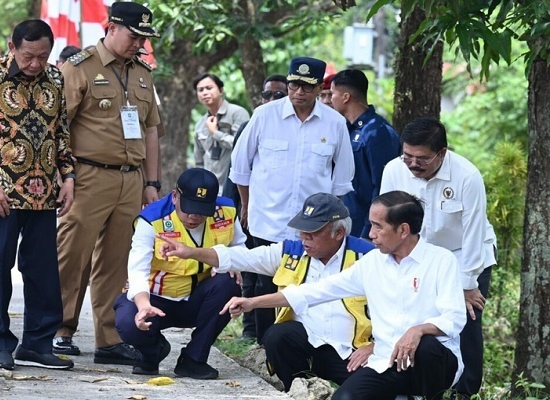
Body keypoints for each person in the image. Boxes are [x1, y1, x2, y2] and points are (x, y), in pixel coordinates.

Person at [200, 191, 466, 399]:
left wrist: (418, 330)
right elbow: (315, 292)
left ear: (403, 230)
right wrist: (252, 303)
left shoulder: (441, 260)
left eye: (377, 226)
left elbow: (455, 318)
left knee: (429, 345)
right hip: (386, 362)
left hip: (432, 366)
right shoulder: (372, 264)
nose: (370, 234)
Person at [159, 192, 375, 391]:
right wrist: (190, 252)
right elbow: (242, 258)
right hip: (305, 347)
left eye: (313, 233)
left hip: (353, 352)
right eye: (302, 230)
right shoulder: (291, 252)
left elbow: (396, 310)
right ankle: (299, 389)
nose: (304, 238)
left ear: (339, 233)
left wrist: (374, 347)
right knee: (277, 336)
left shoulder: (367, 259)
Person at [0, 19, 75, 370]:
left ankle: (37, 344)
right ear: (12, 47)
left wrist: (68, 177)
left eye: (42, 56)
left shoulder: (55, 79)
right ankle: (0, 343)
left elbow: (62, 133)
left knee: (42, 271)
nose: (35, 64)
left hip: (42, 193)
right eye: (28, 56)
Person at [53, 1, 163, 366]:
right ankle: (60, 330)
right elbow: (58, 129)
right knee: (72, 255)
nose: (139, 45)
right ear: (111, 27)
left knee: (118, 262)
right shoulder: (79, 67)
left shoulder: (143, 73)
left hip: (130, 179)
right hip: (86, 175)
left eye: (144, 39)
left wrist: (153, 182)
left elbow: (150, 131)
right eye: (134, 36)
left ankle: (109, 338)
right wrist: (62, 177)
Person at [230, 56, 354, 343]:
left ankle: (300, 348)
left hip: (312, 228)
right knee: (265, 286)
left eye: (307, 87)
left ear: (318, 88)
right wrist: (246, 205)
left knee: (306, 284)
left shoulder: (334, 123)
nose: (299, 92)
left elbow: (341, 179)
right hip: (267, 220)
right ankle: (263, 348)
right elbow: (240, 168)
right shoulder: (264, 115)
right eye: (294, 85)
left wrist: (327, 222)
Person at [380, 117, 497, 398]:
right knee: (413, 317)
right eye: (407, 155)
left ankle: (463, 391)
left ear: (442, 153)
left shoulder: (466, 176)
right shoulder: (394, 170)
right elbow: (384, 218)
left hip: (464, 257)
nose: (412, 164)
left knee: (464, 323)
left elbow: (473, 232)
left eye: (422, 158)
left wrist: (467, 285)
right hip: (417, 255)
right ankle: (413, 386)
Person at [113, 168, 245, 379]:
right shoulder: (152, 219)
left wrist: (232, 264)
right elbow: (138, 268)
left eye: (202, 210)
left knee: (229, 283)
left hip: (199, 299)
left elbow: (239, 247)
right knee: (128, 322)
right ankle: (151, 353)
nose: (194, 216)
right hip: (157, 300)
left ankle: (193, 360)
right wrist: (143, 305)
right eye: (189, 208)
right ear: (175, 196)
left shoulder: (226, 211)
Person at [221, 73, 288, 341]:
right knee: (249, 271)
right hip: (249, 211)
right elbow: (235, 172)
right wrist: (234, 210)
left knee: (268, 276)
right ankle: (249, 331)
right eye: (267, 94)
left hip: (276, 214)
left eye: (278, 95)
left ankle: (267, 334)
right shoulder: (251, 124)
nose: (271, 100)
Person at [330, 69, 401, 238]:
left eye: (332, 93)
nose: (329, 99)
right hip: (345, 223)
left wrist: (370, 230)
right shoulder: (344, 128)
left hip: (365, 228)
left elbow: (384, 186)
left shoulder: (378, 132)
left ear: (346, 97)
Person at [193, 73, 249, 194]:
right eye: (200, 90)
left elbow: (242, 147)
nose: (204, 93)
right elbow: (199, 161)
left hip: (235, 188)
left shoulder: (237, 113)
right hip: (210, 191)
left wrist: (215, 133)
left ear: (221, 90)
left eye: (209, 88)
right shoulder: (200, 124)